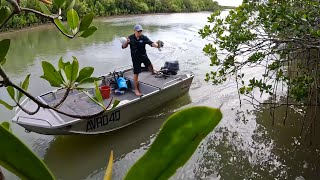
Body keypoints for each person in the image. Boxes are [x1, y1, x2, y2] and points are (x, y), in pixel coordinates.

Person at [121, 24, 164, 96]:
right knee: (136, 74)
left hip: (144, 56)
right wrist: (126, 42)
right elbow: (124, 47)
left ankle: (153, 72)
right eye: (138, 31)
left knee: (150, 65)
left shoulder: (144, 37)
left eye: (141, 31)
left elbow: (151, 43)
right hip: (135, 58)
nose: (139, 32)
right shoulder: (130, 38)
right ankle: (136, 90)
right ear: (134, 31)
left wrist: (157, 45)